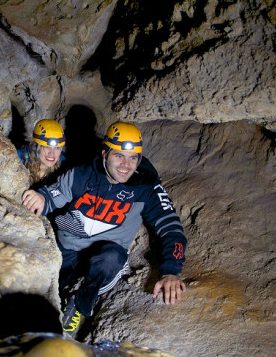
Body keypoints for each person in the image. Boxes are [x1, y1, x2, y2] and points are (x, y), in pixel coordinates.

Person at [21, 122, 187, 336]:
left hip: (106, 255)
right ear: (105, 154)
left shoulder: (146, 186)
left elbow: (170, 227)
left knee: (113, 259)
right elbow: (55, 193)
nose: (126, 165)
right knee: (42, 292)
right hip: (66, 250)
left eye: (133, 157)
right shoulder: (83, 173)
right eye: (119, 156)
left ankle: (78, 303)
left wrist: (171, 271)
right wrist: (41, 197)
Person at [17, 119, 66, 187]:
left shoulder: (65, 168)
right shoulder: (19, 160)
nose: (52, 153)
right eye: (46, 147)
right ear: (35, 147)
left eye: (57, 148)